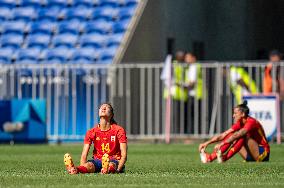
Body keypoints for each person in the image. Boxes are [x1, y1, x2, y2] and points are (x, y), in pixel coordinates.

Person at [64, 103, 128, 174]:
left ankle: (107, 169)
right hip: (97, 161)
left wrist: (118, 169)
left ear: (112, 114)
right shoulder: (91, 132)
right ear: (98, 112)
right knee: (89, 165)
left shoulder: (119, 130)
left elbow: (124, 155)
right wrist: (83, 167)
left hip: (114, 160)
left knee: (112, 165)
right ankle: (74, 169)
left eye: (107, 107)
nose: (103, 108)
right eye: (101, 107)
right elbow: (84, 155)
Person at [199, 100, 270, 163]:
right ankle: (211, 158)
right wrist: (206, 143)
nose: (233, 116)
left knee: (240, 136)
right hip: (250, 155)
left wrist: (221, 144)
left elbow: (238, 135)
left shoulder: (251, 122)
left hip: (262, 152)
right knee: (231, 135)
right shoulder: (240, 123)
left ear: (243, 114)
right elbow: (224, 135)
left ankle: (221, 158)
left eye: (235, 113)